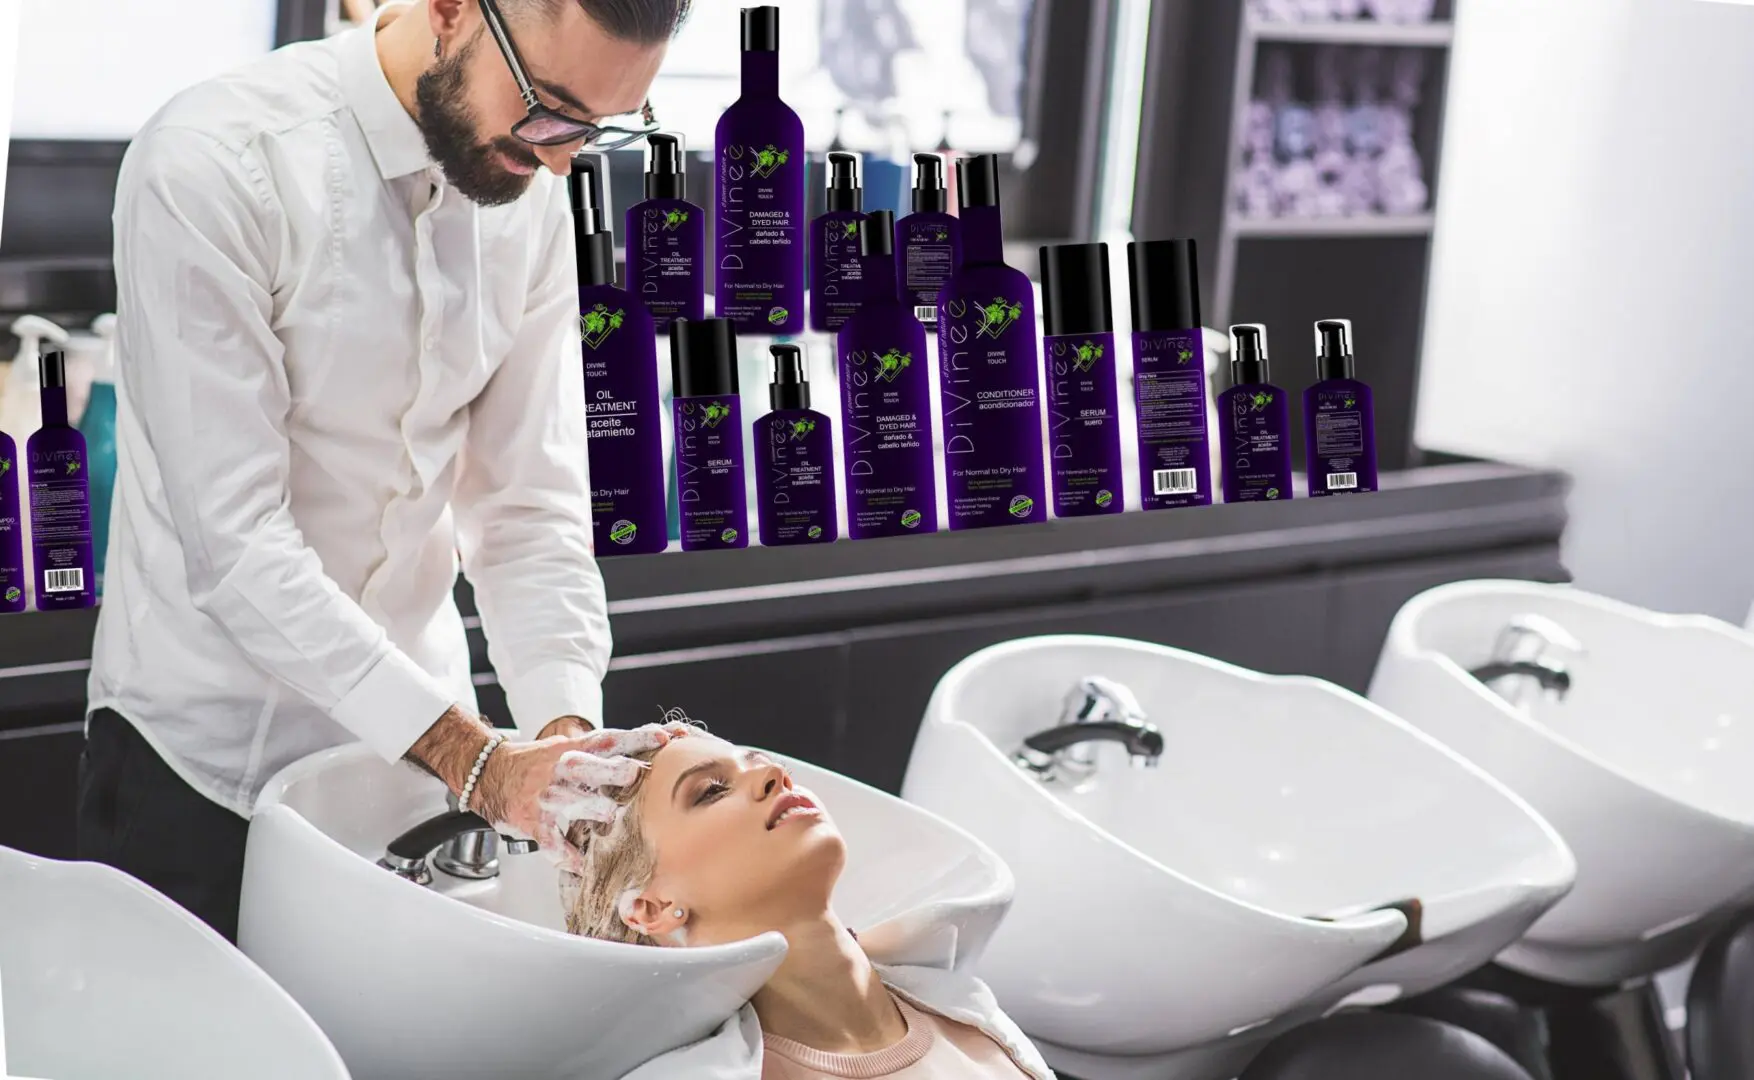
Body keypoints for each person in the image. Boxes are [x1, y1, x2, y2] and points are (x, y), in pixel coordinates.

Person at [79, 0, 692, 943]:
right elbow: (237, 546)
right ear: (449, 9)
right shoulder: (211, 162)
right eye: (550, 109)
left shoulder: (526, 190)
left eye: (597, 129)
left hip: (408, 782)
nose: (564, 159)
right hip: (204, 766)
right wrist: (478, 761)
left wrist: (566, 737)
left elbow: (528, 509)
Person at [561, 726, 1057, 1080]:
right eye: (711, 791)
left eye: (757, 763)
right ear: (649, 907)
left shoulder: (966, 1015)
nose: (775, 775)